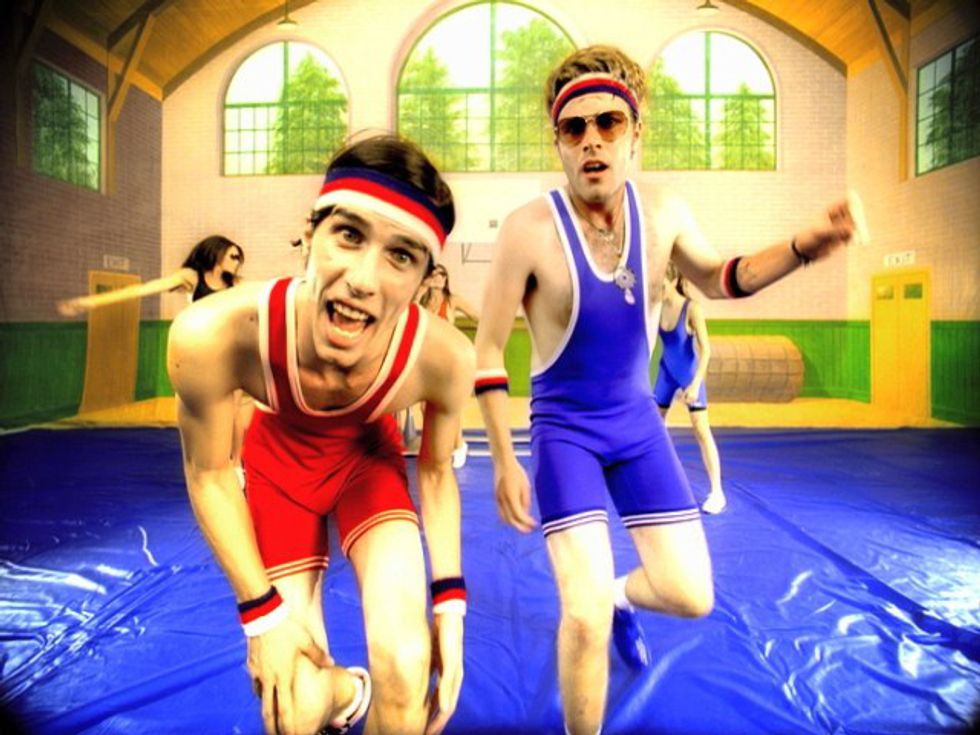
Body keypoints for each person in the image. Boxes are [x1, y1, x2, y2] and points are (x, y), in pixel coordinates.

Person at [473, 45, 858, 735]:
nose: (592, 140)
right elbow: (488, 347)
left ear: (635, 132)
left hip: (637, 427)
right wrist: (504, 458)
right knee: (581, 614)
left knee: (691, 594)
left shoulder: (665, 212)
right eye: (574, 128)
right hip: (565, 433)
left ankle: (622, 596)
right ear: (559, 142)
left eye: (609, 123)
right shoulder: (529, 230)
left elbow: (723, 278)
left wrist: (802, 246)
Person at [167, 135, 474, 735]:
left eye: (400, 256)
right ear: (310, 234)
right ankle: (345, 692)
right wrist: (260, 616)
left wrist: (450, 604)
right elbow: (209, 474)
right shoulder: (213, 334)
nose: (362, 280)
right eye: (350, 235)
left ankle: (373, 688)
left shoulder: (442, 359)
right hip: (278, 469)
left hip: (366, 465)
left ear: (424, 281)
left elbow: (437, 471)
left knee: (407, 665)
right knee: (294, 706)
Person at [656, 262, 726, 514]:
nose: (658, 289)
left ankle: (717, 492)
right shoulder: (656, 307)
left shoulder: (692, 309)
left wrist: (695, 384)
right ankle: (662, 484)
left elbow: (706, 350)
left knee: (701, 429)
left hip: (688, 374)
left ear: (674, 281)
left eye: (662, 284)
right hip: (666, 372)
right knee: (655, 429)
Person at [57, 235, 245, 315]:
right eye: (233, 257)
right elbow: (144, 289)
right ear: (217, 255)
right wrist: (92, 301)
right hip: (198, 338)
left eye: (239, 258)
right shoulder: (191, 276)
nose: (237, 262)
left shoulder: (236, 284)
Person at [417, 264, 479, 468]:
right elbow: (407, 312)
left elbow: (478, 317)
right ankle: (438, 446)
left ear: (446, 279)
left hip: (448, 360)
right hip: (426, 361)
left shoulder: (452, 301)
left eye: (442, 275)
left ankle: (459, 445)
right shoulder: (422, 302)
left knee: (448, 404)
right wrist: (422, 289)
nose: (439, 278)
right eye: (435, 275)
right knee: (424, 407)